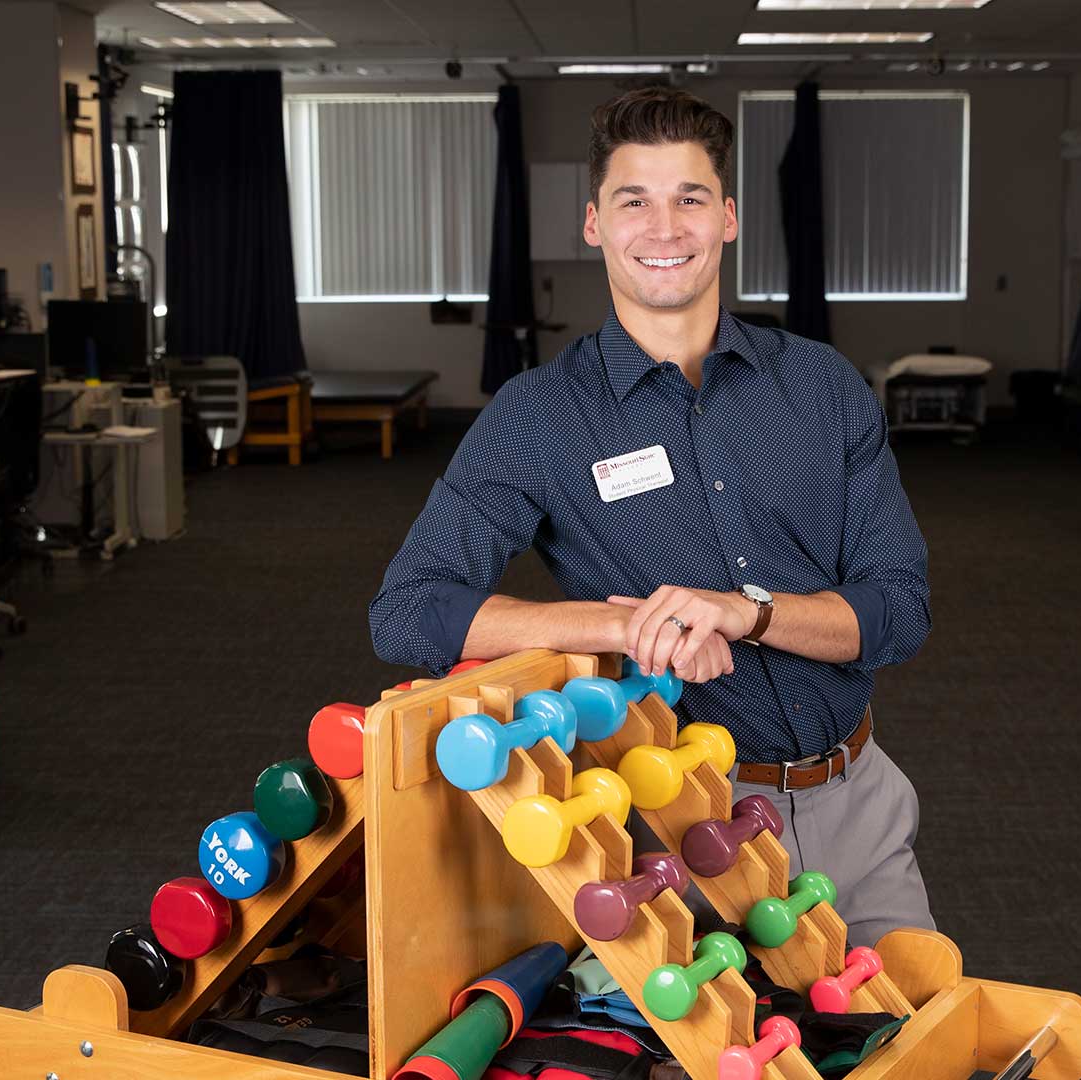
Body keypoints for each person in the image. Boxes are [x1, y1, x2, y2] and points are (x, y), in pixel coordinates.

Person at [369, 85, 933, 946]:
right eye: (635, 200)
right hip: (681, 830)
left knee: (920, 1043)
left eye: (690, 198)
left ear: (729, 218)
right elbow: (409, 610)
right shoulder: (538, 417)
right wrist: (623, 625)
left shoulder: (823, 387)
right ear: (594, 222)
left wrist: (746, 613)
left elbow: (898, 612)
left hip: (862, 800)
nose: (664, 228)